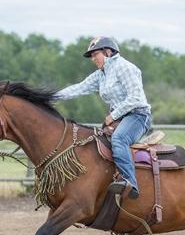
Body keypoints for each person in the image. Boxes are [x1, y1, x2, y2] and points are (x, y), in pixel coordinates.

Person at [57, 36, 152, 199]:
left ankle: (130, 183)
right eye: (92, 56)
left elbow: (136, 97)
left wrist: (113, 115)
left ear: (108, 52)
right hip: (120, 119)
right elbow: (79, 88)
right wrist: (50, 97)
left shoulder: (124, 67)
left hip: (138, 116)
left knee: (119, 139)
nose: (93, 59)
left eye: (95, 55)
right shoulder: (101, 74)